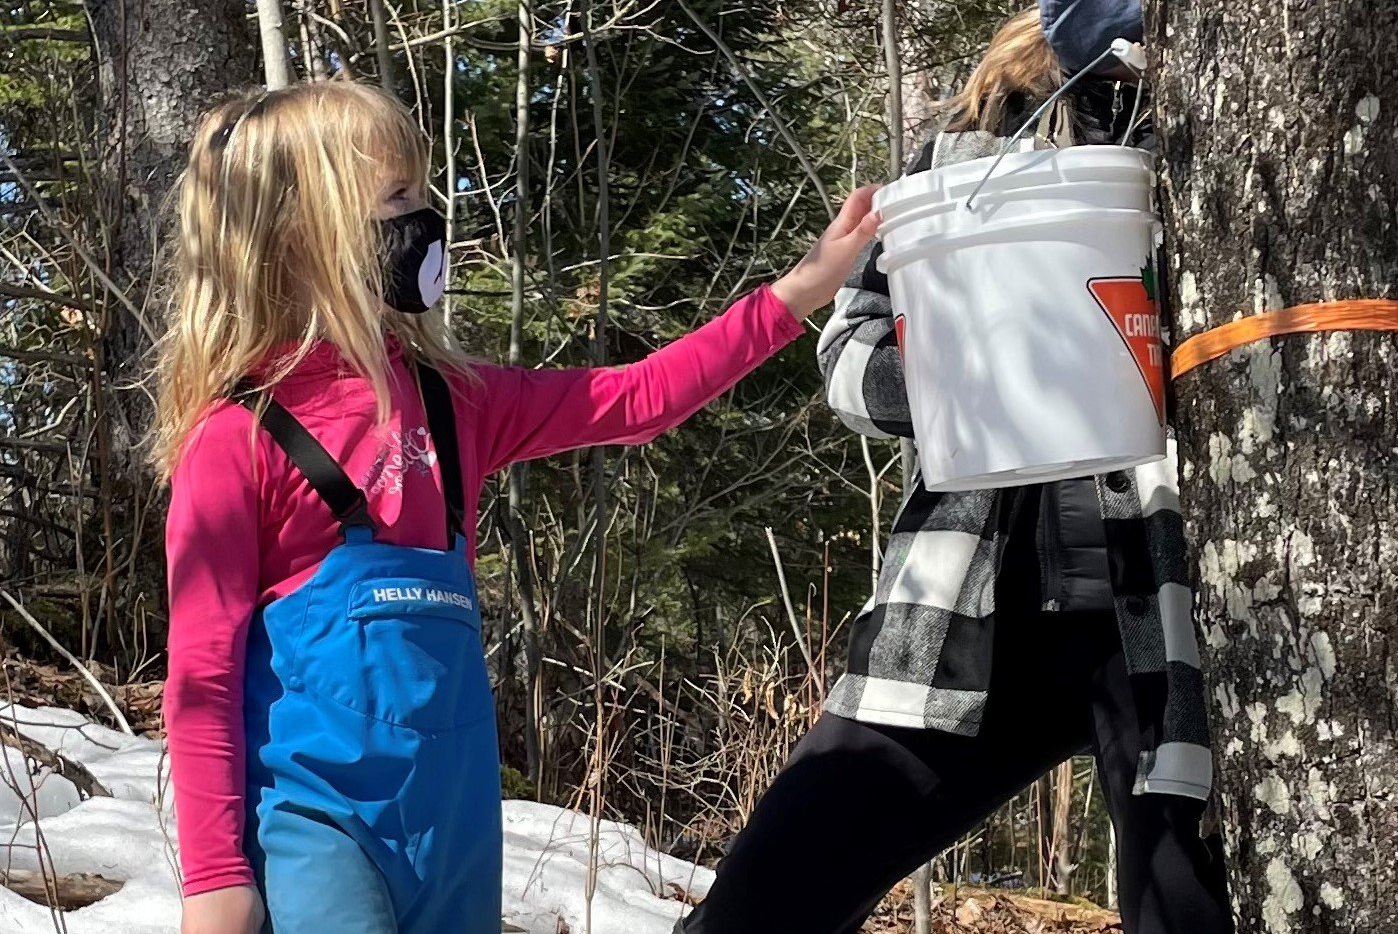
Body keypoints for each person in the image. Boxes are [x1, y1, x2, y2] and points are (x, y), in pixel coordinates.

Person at [678, 0, 1233, 934]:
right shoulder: (977, 134)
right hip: (974, 593)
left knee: (1185, 910)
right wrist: (929, 386)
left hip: (1171, 602)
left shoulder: (1233, 123)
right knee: (761, 898)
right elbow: (851, 338)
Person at [155, 80, 880, 934]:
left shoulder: (456, 400)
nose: (425, 216)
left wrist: (800, 289)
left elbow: (635, 398)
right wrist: (213, 879)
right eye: (398, 197)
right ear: (304, 230)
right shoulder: (237, 439)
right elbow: (200, 674)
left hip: (456, 827)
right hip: (315, 826)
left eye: (420, 191)